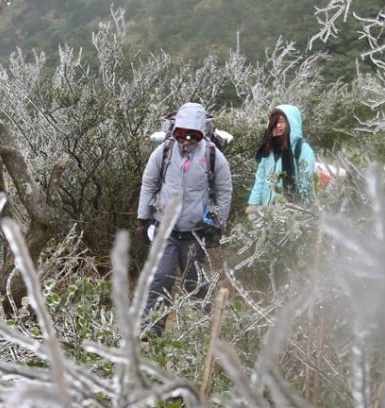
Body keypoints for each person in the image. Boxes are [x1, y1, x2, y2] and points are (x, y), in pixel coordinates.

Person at [135, 102, 232, 338]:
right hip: (165, 229)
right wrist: (143, 218)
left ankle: (201, 328)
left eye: (192, 136)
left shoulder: (212, 155)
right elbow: (149, 183)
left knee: (193, 281)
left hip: (195, 231)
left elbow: (224, 189)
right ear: (175, 131)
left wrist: (220, 223)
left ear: (200, 133)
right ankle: (152, 328)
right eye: (182, 135)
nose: (186, 140)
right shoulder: (165, 151)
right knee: (160, 278)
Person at [245, 104, 316, 217]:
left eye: (283, 121)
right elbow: (260, 180)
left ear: (291, 122)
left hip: (291, 214)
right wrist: (253, 207)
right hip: (266, 213)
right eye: (275, 122)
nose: (278, 126)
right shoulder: (268, 149)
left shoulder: (302, 150)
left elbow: (306, 183)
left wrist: (307, 212)